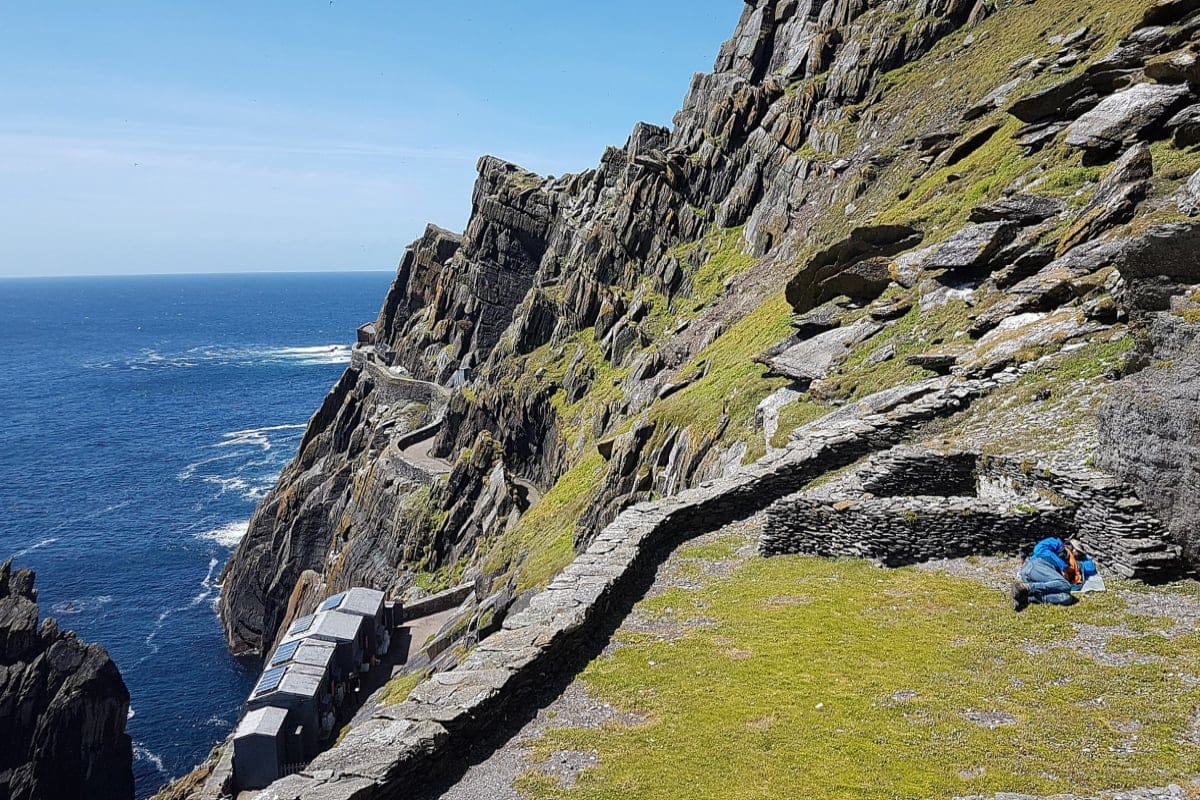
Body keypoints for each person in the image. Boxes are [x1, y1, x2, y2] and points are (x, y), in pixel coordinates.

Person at [1011, 537, 1078, 611]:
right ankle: (1027, 587)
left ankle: (1026, 599)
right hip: (1037, 565)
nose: (1076, 554)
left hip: (1033, 573)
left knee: (1067, 598)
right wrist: (1063, 567)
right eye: (1076, 551)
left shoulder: (1069, 560)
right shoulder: (1057, 547)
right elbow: (1046, 552)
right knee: (1065, 585)